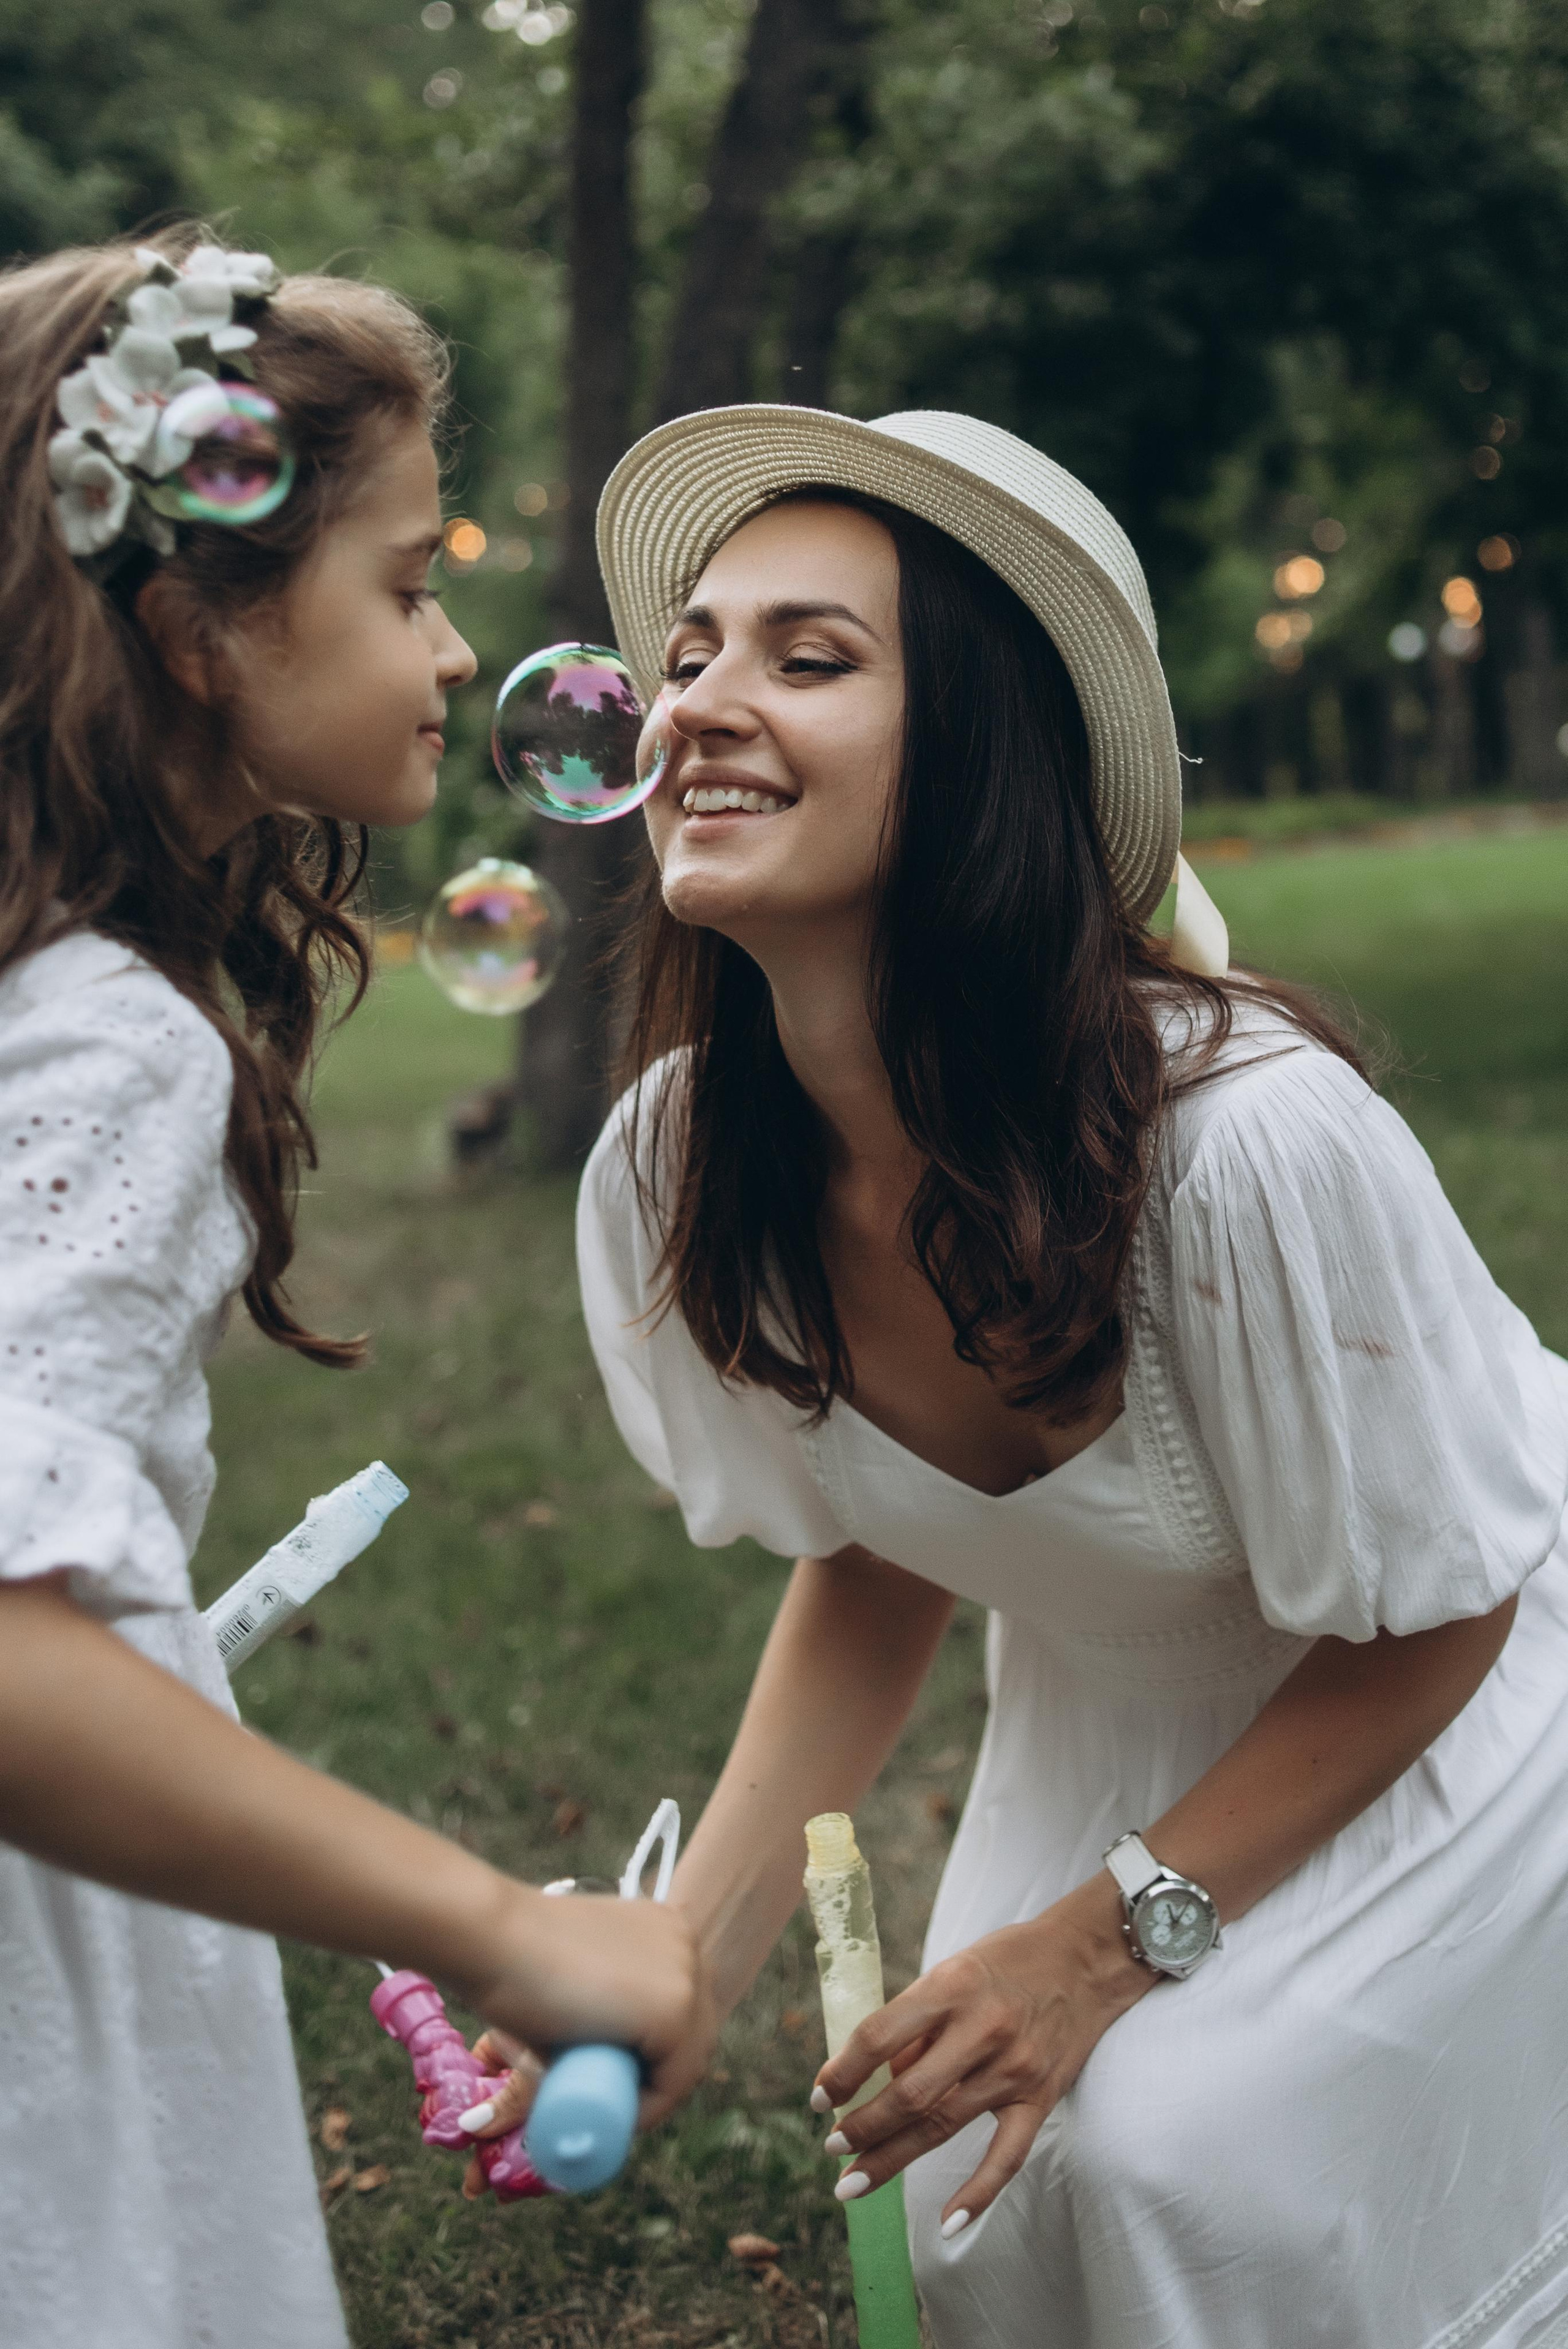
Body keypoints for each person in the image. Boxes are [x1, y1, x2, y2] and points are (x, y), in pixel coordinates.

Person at [571, 404, 1568, 2347]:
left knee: (1179, 2161)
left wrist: (1102, 1947)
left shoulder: (1251, 1145)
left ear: (980, 761)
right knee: (967, 2181)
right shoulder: (687, 1156)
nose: (698, 700)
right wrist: (688, 1959)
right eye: (688, 652)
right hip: (1119, 1707)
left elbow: (1446, 1608)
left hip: (1478, 1690)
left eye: (809, 656)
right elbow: (872, 1556)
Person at [0, 233, 707, 2349]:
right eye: (409, 583)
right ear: (198, 624)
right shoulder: (110, 1044)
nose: (455, 639)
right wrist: (496, 1924)